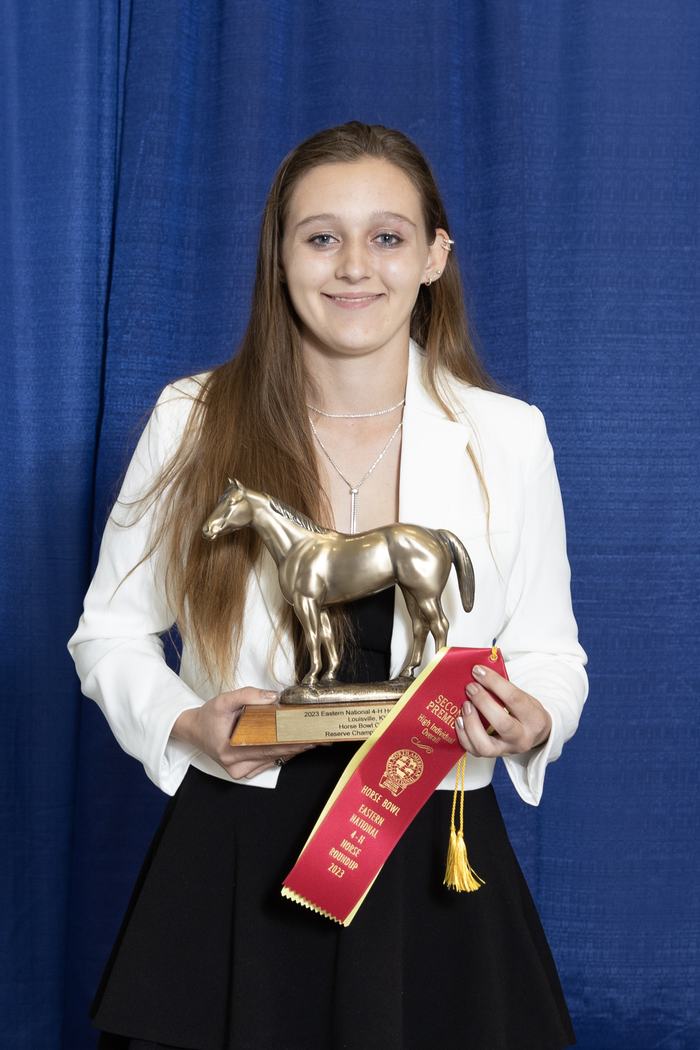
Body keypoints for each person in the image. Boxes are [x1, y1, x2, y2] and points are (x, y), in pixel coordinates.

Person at [68, 121, 588, 1050]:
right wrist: (184, 723)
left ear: (434, 257)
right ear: (280, 255)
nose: (355, 266)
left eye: (387, 236)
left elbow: (552, 654)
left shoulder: (509, 434)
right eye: (321, 237)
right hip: (238, 847)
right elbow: (106, 634)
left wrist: (534, 718)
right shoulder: (193, 420)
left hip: (434, 842)